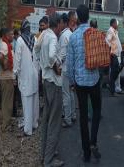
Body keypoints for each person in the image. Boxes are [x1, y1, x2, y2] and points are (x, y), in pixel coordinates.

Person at [67, 4, 102, 163]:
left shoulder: (73, 37)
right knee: (96, 110)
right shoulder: (96, 33)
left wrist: (72, 82)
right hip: (94, 80)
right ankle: (93, 140)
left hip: (80, 82)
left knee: (82, 117)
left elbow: (70, 64)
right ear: (88, 16)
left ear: (77, 18)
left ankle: (86, 152)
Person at [39, 14, 64, 167]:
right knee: (54, 122)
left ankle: (43, 155)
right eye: (62, 23)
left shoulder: (44, 34)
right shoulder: (53, 37)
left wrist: (44, 67)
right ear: (59, 24)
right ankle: (49, 160)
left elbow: (36, 50)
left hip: (45, 80)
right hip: (54, 83)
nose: (63, 26)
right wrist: (56, 68)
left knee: (46, 120)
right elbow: (50, 57)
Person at [13, 20, 39, 136]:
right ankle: (34, 123)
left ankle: (28, 130)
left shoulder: (20, 40)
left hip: (25, 75)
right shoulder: (35, 39)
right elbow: (37, 58)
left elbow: (17, 60)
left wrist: (15, 74)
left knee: (26, 102)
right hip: (34, 75)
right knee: (34, 101)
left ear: (22, 29)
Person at [58, 13, 76, 128]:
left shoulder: (64, 36)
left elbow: (63, 55)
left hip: (64, 68)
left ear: (64, 22)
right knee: (71, 92)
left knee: (66, 94)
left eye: (59, 22)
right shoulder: (71, 34)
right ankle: (73, 114)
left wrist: (57, 66)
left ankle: (67, 119)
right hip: (71, 68)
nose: (58, 25)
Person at [0, 28, 15, 132]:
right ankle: (5, 125)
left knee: (8, 101)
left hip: (8, 77)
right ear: (6, 35)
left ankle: (7, 122)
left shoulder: (7, 44)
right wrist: (5, 66)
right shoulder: (4, 45)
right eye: (11, 34)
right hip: (6, 77)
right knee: (6, 101)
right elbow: (0, 57)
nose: (13, 36)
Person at [106, 19, 123, 96]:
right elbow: (107, 42)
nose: (117, 25)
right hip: (114, 55)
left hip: (118, 55)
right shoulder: (110, 31)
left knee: (118, 71)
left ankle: (117, 88)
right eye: (116, 23)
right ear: (113, 24)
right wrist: (111, 52)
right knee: (114, 72)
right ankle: (112, 89)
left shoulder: (115, 31)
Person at [12, 28, 22, 118]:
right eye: (18, 34)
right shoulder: (15, 43)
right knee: (15, 89)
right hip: (14, 69)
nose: (19, 35)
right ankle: (16, 106)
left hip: (16, 68)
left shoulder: (17, 41)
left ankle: (18, 104)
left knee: (17, 89)